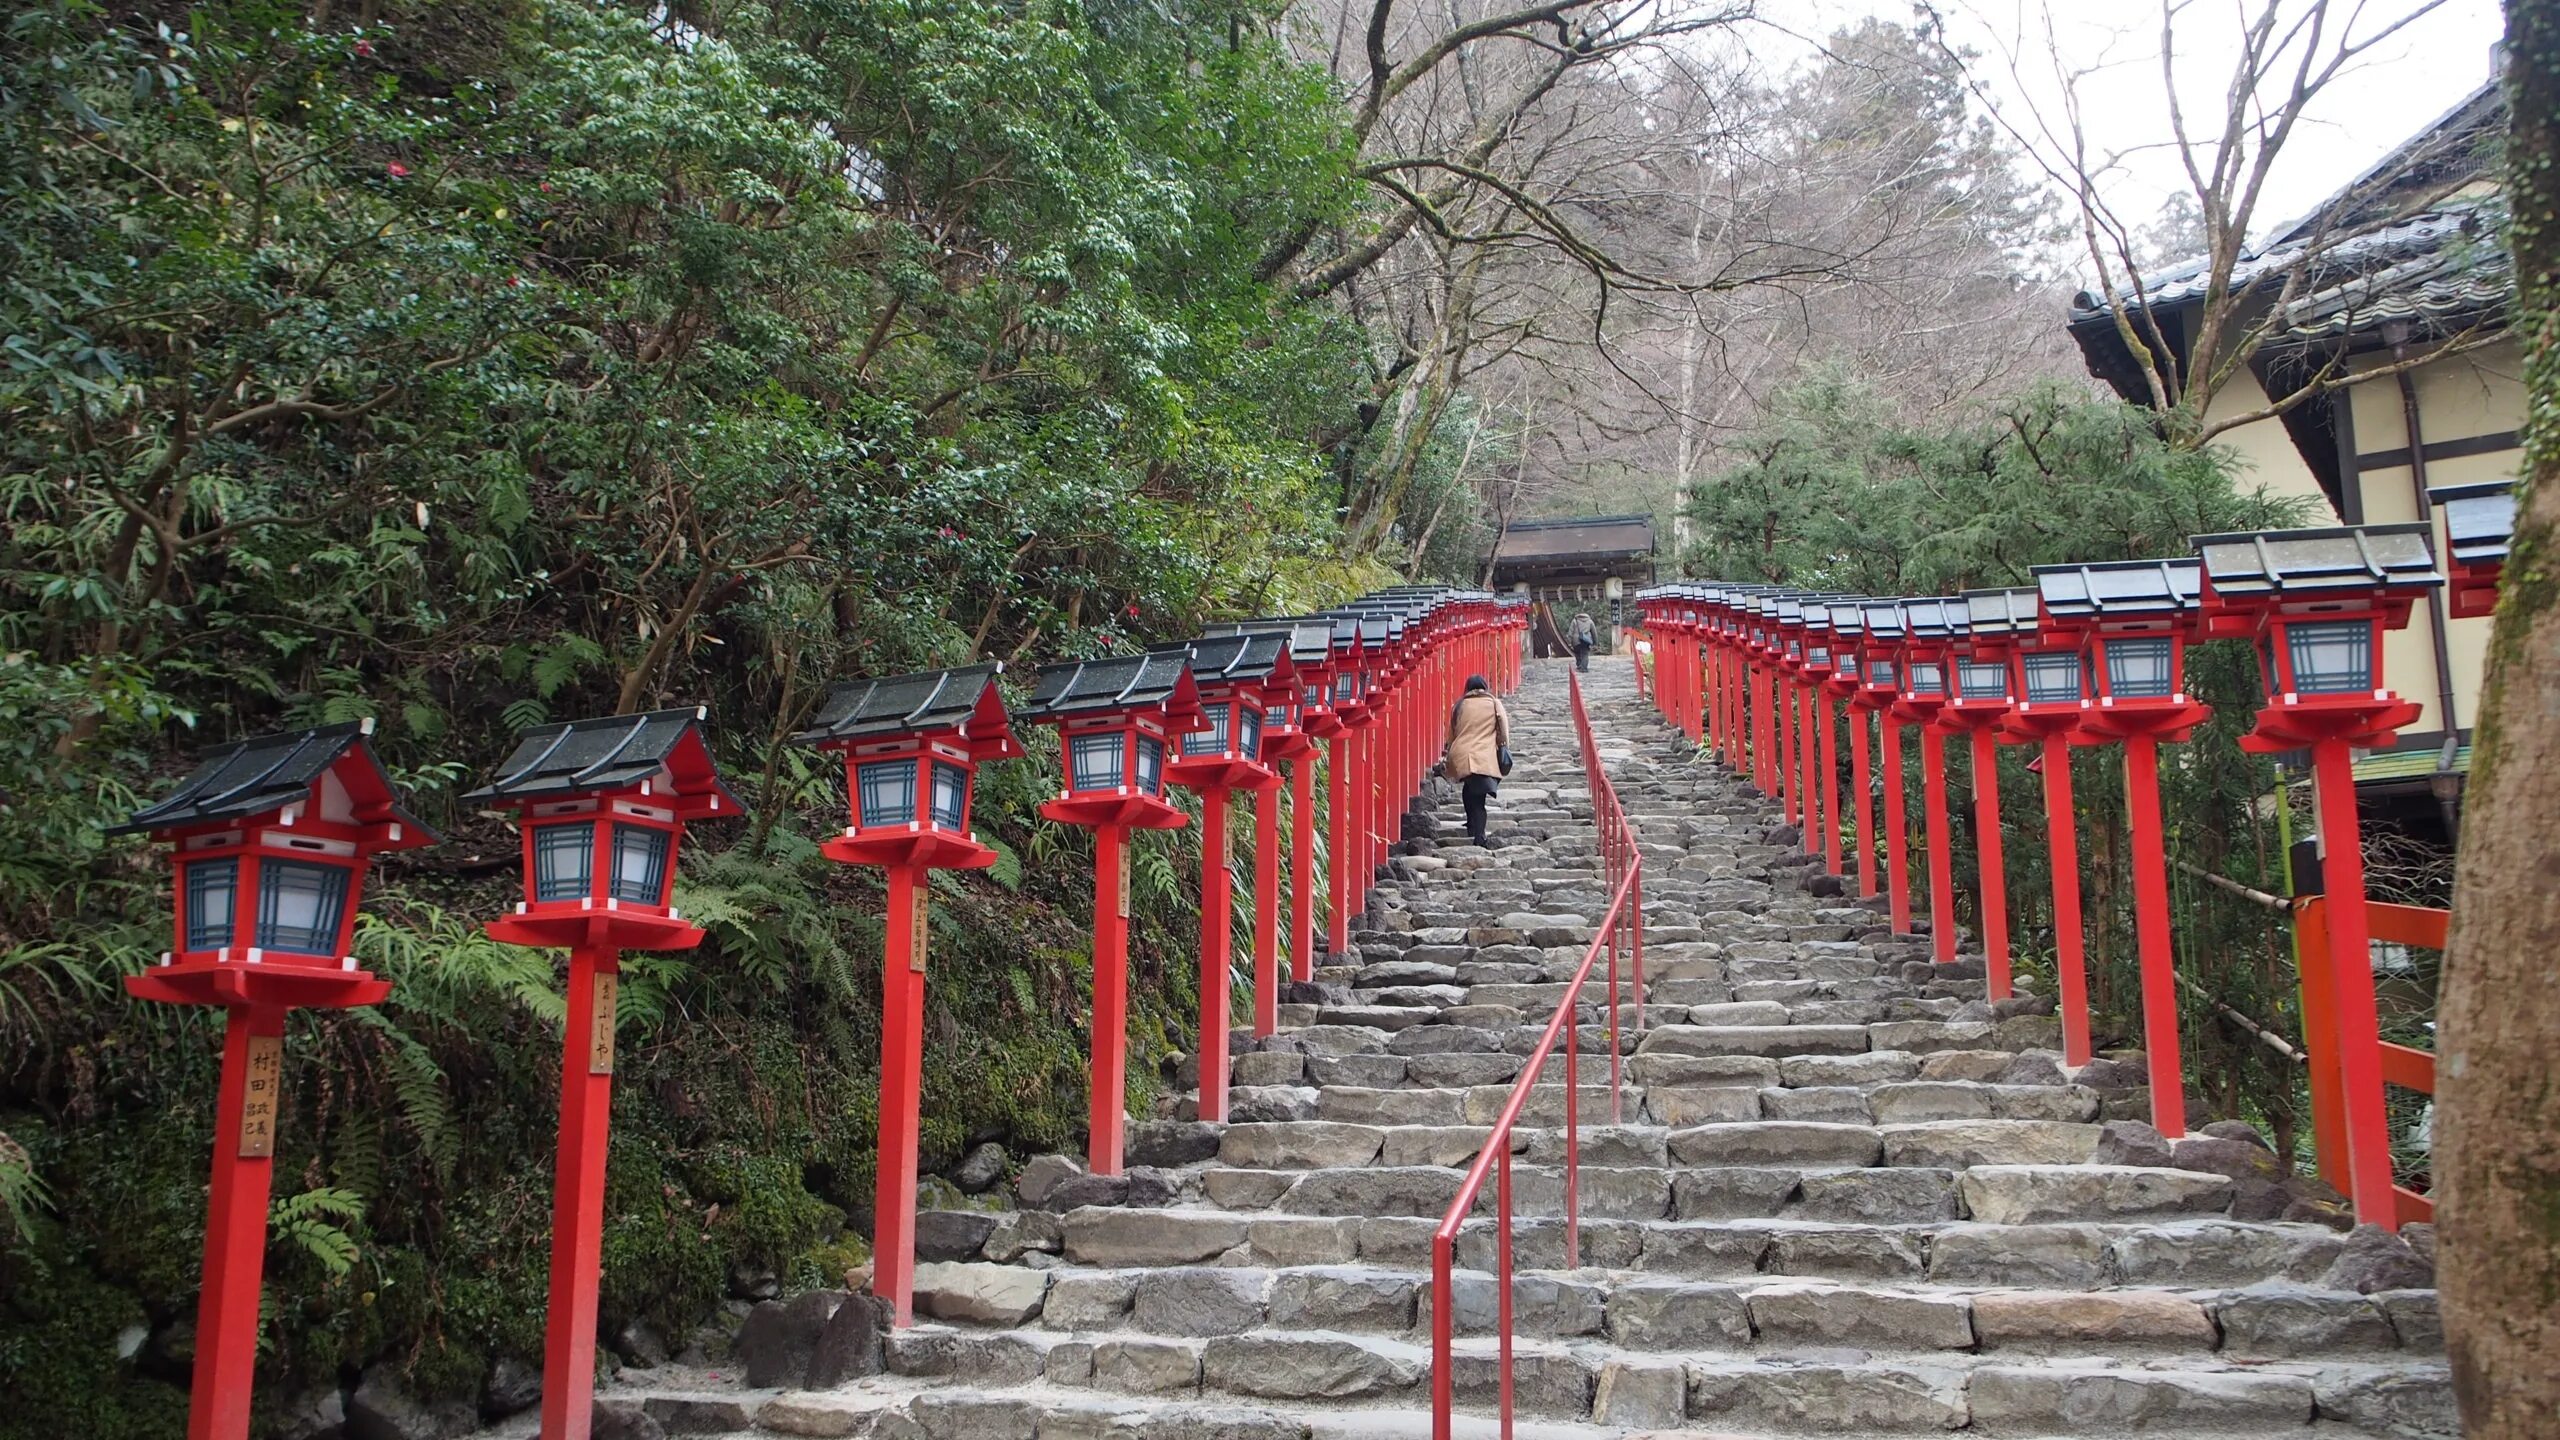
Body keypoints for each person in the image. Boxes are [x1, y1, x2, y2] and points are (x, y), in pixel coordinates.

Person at [1443, 674, 1511, 848]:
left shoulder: (1459, 705)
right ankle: (1479, 836)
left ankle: (1471, 824)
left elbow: (1452, 732)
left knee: (1469, 787)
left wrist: (1449, 751)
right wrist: (1503, 745)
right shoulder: (1493, 703)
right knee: (1479, 798)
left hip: (1462, 752)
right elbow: (1502, 726)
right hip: (1483, 753)